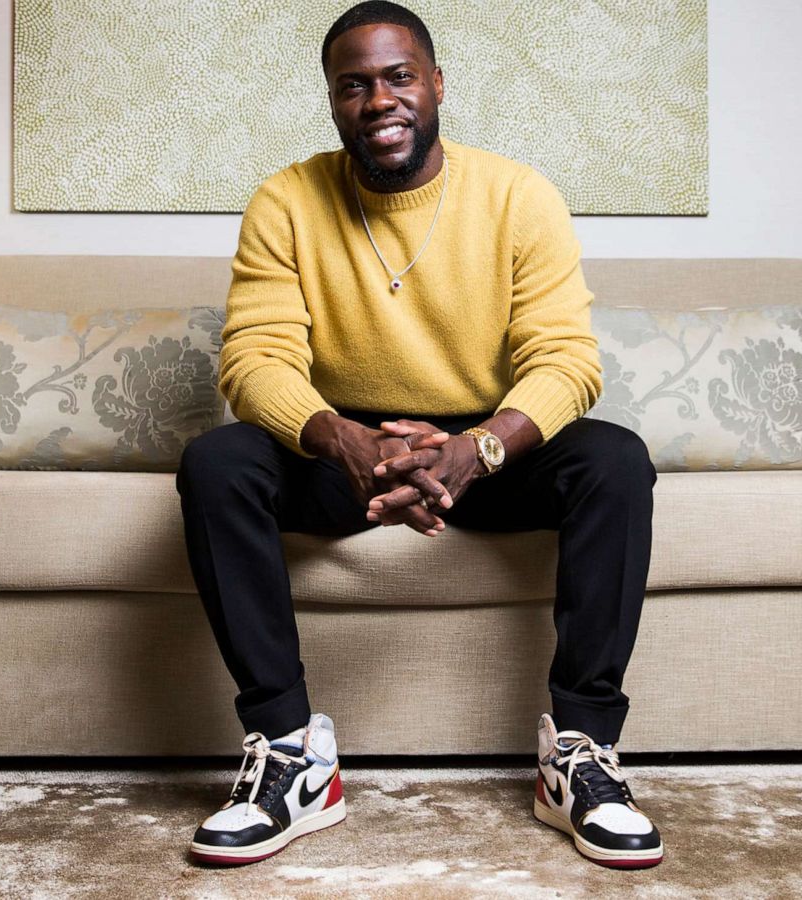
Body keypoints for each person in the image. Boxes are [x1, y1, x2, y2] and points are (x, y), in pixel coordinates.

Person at [175, 0, 661, 870]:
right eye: (353, 85)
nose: (379, 100)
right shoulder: (288, 199)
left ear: (437, 84)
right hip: (340, 454)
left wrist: (477, 447)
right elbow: (254, 359)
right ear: (332, 103)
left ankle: (581, 755)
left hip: (486, 453)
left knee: (614, 460)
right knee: (218, 462)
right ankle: (290, 756)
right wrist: (340, 440)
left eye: (399, 77)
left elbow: (566, 361)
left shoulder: (518, 195)